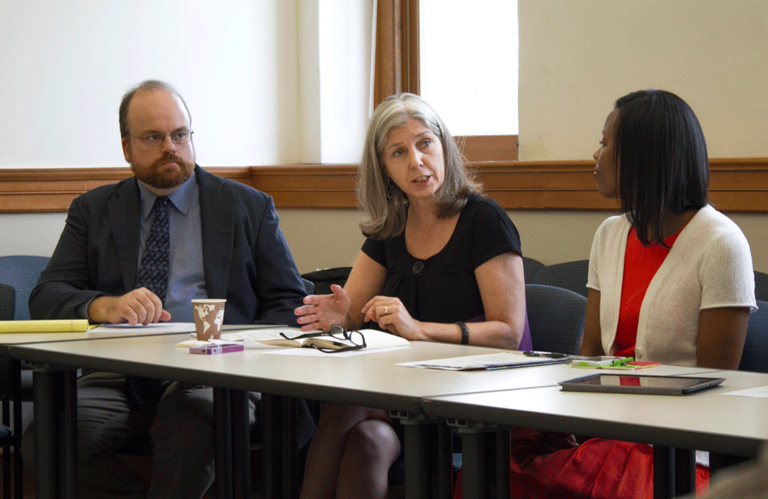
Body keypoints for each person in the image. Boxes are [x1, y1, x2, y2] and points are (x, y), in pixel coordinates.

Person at [453, 89, 756, 499]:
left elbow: (714, 386)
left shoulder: (721, 243)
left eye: (604, 142)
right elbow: (592, 351)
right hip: (606, 428)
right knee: (486, 468)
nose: (595, 155)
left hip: (673, 450)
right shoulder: (611, 234)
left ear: (641, 156)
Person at [22, 80, 313, 499]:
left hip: (214, 374)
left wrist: (239, 350)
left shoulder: (246, 206)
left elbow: (288, 301)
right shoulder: (94, 209)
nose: (170, 148)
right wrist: (104, 306)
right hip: (119, 374)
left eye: (180, 134)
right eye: (153, 138)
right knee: (47, 439)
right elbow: (46, 296)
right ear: (126, 148)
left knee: (188, 429)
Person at [293, 92, 530, 499]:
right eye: (399, 152)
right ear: (383, 168)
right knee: (367, 440)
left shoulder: (484, 220)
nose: (417, 161)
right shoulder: (392, 227)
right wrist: (340, 316)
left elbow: (508, 333)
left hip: (473, 398)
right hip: (403, 395)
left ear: (444, 147)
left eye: (425, 144)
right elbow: (352, 312)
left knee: (347, 406)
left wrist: (419, 329)